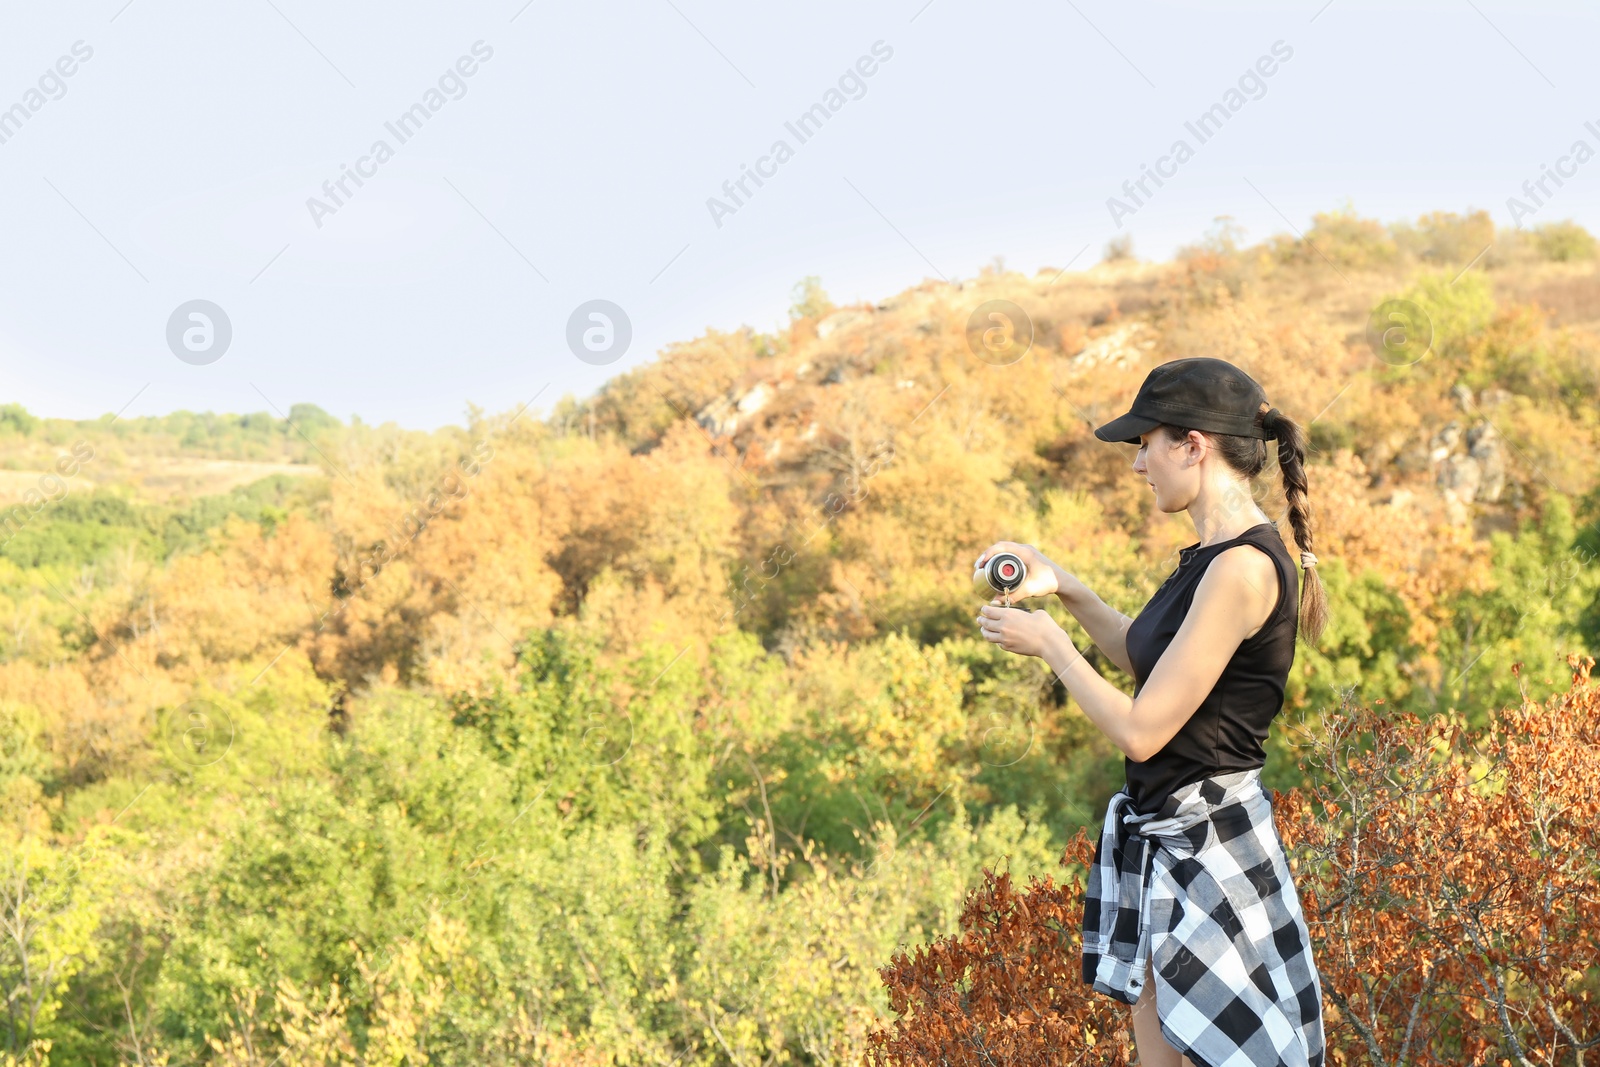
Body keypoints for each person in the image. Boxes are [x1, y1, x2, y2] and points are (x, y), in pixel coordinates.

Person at [973, 357, 1327, 1067]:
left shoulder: (1242, 569)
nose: (1139, 464)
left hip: (1210, 845)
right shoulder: (1211, 554)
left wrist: (1052, 647)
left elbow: (1142, 729)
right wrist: (1065, 587)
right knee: (1165, 1033)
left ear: (1193, 445)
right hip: (1179, 838)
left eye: (1147, 443)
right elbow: (1150, 664)